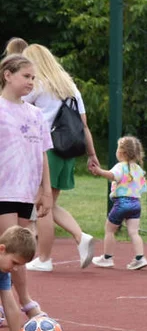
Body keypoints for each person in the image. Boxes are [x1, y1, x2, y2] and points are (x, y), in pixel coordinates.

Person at [22, 44, 98, 272]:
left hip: (46, 150)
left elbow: (18, 110)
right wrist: (92, 154)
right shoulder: (70, 86)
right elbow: (83, 125)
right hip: (68, 151)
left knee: (42, 205)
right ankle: (80, 236)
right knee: (50, 203)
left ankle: (44, 258)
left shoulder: (37, 85)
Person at [0, 54, 51, 322]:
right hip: (3, 191)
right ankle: (26, 303)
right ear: (8, 75)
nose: (31, 82)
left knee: (19, 253)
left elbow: (42, 154)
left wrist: (45, 191)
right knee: (9, 252)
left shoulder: (36, 114)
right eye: (26, 76)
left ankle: (22, 302)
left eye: (33, 78)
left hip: (26, 193)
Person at [88, 136, 147, 270]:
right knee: (134, 232)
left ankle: (107, 258)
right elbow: (142, 188)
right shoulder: (139, 170)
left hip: (122, 203)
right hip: (136, 204)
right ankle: (140, 257)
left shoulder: (121, 167)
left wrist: (99, 171)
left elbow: (112, 175)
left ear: (122, 153)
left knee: (109, 230)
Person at [0, 226, 36, 331]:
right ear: (2, 249)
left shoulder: (3, 271)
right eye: (14, 262)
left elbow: (10, 306)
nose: (15, 268)